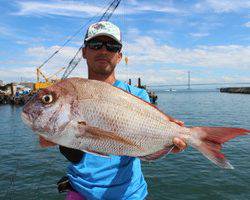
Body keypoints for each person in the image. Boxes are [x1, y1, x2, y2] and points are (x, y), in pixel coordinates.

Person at [59, 21, 187, 200]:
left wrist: (165, 144)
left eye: (111, 46)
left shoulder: (137, 95)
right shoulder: (73, 91)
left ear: (119, 56)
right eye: (96, 45)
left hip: (129, 194)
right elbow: (66, 148)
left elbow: (142, 145)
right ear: (84, 52)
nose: (103, 51)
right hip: (80, 191)